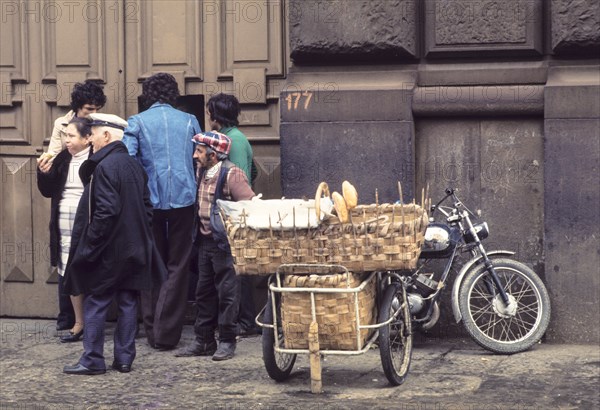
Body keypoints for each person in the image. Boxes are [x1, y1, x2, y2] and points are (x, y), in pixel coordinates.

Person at [63, 113, 165, 375]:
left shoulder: (105, 166)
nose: (91, 141)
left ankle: (92, 360)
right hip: (134, 247)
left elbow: (105, 213)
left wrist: (90, 247)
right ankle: (124, 359)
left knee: (96, 301)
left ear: (106, 136)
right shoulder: (134, 166)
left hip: (109, 250)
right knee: (128, 301)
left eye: (94, 134)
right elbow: (147, 208)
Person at [122, 73, 202, 351]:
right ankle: (167, 333)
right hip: (184, 198)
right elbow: (199, 161)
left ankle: (152, 328)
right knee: (178, 264)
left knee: (151, 263)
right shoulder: (190, 121)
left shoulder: (137, 122)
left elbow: (129, 163)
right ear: (173, 94)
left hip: (149, 202)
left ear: (148, 95)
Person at [175, 131, 255, 361]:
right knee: (204, 293)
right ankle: (204, 341)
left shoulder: (232, 173)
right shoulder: (203, 171)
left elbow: (247, 205)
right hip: (205, 242)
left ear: (213, 154)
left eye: (199, 151)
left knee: (228, 294)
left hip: (225, 244)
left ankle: (227, 341)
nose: (194, 155)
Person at [38, 80, 106, 332]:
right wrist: (47, 168)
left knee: (92, 257)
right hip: (65, 196)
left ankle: (93, 317)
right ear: (78, 107)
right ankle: (68, 317)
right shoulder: (62, 125)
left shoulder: (102, 125)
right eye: (89, 108)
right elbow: (54, 155)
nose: (94, 113)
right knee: (65, 257)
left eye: (98, 108)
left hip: (90, 199)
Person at [206, 93, 258, 337]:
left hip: (232, 214)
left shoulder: (229, 141)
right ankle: (245, 320)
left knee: (235, 271)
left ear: (216, 116)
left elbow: (235, 176)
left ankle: (243, 322)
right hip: (236, 213)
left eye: (209, 114)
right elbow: (254, 170)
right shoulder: (240, 138)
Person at [37, 117, 93, 342]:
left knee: (89, 269)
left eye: (71, 136)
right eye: (65, 136)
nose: (66, 141)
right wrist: (43, 173)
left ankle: (94, 321)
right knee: (69, 270)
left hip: (87, 223)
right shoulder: (61, 159)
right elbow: (48, 190)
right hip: (63, 222)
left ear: (87, 138)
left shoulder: (96, 160)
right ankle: (79, 322)